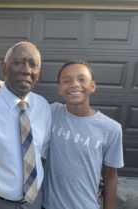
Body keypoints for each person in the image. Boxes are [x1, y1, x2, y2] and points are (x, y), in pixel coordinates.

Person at [0, 41, 52, 209]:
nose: (26, 70)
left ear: (39, 72)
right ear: (4, 67)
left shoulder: (43, 107)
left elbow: (41, 153)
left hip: (34, 201)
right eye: (18, 62)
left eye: (33, 65)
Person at [42, 60, 124, 209]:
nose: (74, 84)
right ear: (60, 89)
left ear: (92, 86)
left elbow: (111, 177)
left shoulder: (111, 129)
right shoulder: (51, 112)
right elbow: (22, 102)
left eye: (81, 79)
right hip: (49, 205)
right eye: (67, 81)